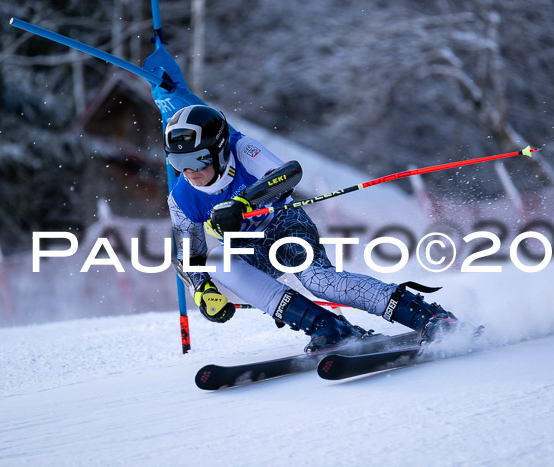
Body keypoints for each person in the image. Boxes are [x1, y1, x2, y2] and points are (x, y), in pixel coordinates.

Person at [166, 104, 470, 351]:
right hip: (250, 247)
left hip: (285, 226)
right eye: (179, 161)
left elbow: (288, 174)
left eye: (198, 157)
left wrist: (242, 202)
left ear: (219, 149)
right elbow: (190, 255)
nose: (190, 170)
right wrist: (202, 290)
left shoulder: (242, 149)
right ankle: (329, 328)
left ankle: (430, 317)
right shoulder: (181, 198)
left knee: (320, 282)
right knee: (219, 260)